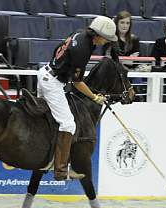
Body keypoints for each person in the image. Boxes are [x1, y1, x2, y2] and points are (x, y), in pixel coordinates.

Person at [38, 16, 115, 180]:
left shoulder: (79, 34)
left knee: (50, 121)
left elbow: (58, 49)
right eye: (107, 38)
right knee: (68, 124)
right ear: (98, 35)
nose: (107, 41)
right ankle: (61, 171)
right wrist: (94, 97)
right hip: (52, 82)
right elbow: (77, 82)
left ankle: (47, 159)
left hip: (46, 73)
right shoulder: (83, 49)